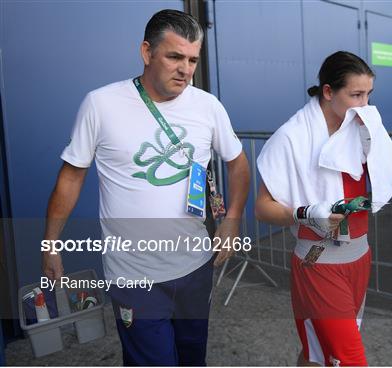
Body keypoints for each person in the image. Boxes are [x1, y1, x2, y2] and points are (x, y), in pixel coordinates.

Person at [41, 9, 249, 366]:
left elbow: (238, 163)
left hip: (195, 267)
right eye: (174, 57)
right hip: (133, 275)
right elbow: (71, 177)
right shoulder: (101, 104)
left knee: (192, 357)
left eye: (192, 59)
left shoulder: (207, 107)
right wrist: (51, 246)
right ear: (146, 52)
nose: (185, 69)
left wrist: (232, 219)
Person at [255, 51, 392, 366]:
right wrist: (304, 212)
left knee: (317, 354)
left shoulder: (363, 129)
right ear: (329, 92)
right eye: (356, 94)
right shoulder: (291, 137)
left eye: (368, 94)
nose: (365, 104)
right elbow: (262, 208)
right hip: (318, 262)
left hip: (359, 257)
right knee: (351, 359)